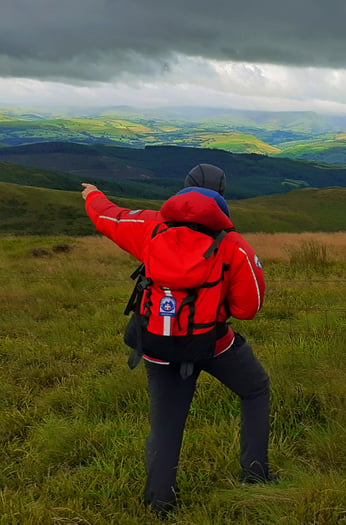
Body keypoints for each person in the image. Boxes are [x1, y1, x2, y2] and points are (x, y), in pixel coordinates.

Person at [81, 165, 274, 516]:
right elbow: (249, 308)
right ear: (222, 196)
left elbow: (108, 217)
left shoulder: (150, 226)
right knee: (256, 389)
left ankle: (159, 504)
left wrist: (92, 194)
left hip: (156, 344)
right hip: (213, 344)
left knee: (166, 424)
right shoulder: (234, 246)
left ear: (183, 190)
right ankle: (256, 474)